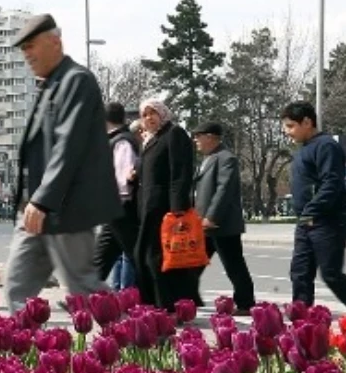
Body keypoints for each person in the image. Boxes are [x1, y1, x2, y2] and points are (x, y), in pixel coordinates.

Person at [4, 14, 121, 312]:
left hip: (64, 209)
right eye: (23, 48)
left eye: (31, 45)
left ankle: (145, 335)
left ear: (55, 42)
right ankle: (19, 355)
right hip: (36, 212)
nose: (27, 54)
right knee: (17, 289)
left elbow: (69, 144)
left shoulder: (76, 81)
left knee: (83, 289)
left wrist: (43, 200)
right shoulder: (50, 85)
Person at [281, 101, 346, 327]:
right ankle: (301, 319)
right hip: (306, 221)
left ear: (307, 122)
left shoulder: (326, 146)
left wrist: (312, 210)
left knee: (331, 273)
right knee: (300, 271)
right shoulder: (303, 149)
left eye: (290, 126)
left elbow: (332, 183)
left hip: (328, 221)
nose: (287, 133)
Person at [134, 99, 201, 310]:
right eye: (145, 115)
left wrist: (178, 208)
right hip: (148, 207)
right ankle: (155, 304)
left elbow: (181, 172)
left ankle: (165, 306)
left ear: (163, 114)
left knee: (157, 258)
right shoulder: (151, 140)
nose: (148, 118)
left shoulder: (174, 134)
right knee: (146, 256)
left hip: (164, 208)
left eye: (153, 113)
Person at [192, 121, 255, 312]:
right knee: (193, 264)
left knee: (233, 265)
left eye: (198, 136)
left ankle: (245, 303)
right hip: (204, 225)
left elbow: (224, 190)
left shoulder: (226, 158)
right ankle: (189, 298)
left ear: (210, 137)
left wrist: (211, 217)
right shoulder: (208, 158)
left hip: (221, 225)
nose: (196, 140)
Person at [92, 102, 141, 289]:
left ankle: (151, 296)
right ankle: (85, 293)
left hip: (121, 206)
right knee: (103, 253)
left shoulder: (122, 141)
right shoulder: (117, 139)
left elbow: (123, 178)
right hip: (115, 207)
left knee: (133, 254)